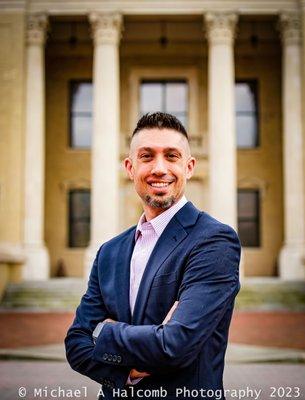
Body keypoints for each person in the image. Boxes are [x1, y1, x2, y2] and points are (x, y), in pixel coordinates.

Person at [65, 112, 241, 400]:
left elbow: (176, 344)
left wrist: (104, 334)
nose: (160, 168)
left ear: (189, 166)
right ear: (130, 167)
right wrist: (125, 372)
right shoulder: (109, 252)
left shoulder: (214, 241)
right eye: (147, 156)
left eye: (171, 156)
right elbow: (75, 343)